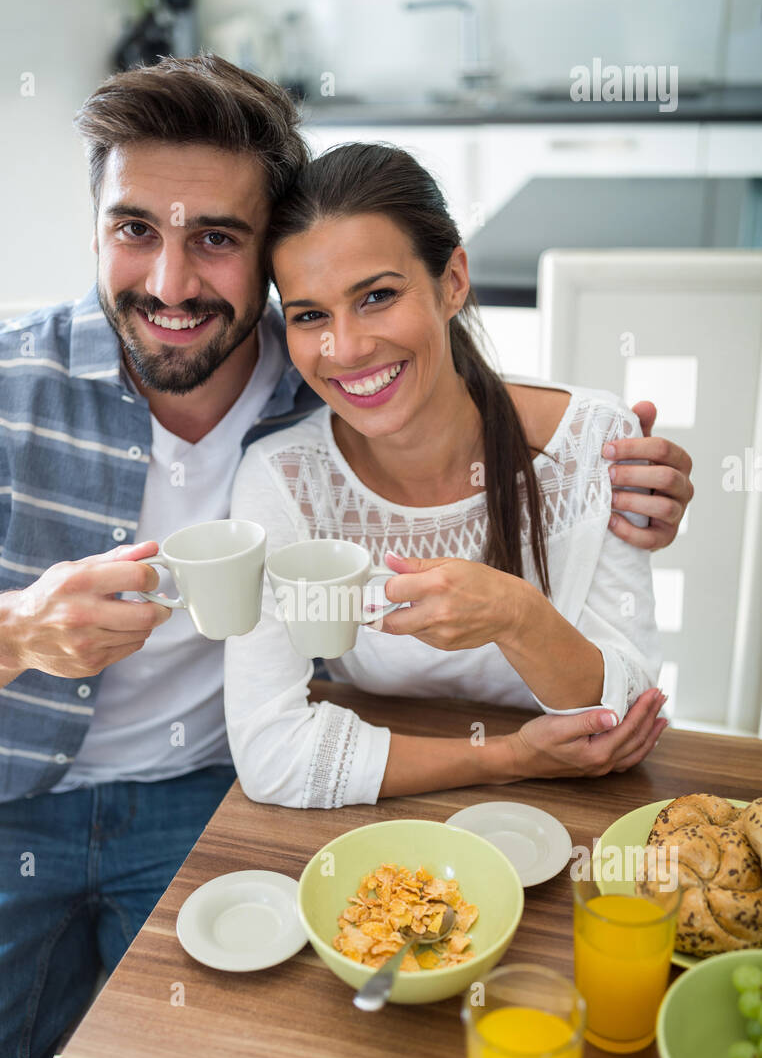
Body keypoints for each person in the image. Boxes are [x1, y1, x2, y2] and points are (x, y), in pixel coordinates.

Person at [0, 57, 692, 1058]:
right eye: (133, 229)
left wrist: (610, 465)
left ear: (262, 258)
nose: (169, 281)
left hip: (208, 796)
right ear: (96, 226)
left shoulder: (308, 383)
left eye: (216, 238)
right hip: (1, 808)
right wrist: (15, 631)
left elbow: (426, 383)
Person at [224, 142, 674, 806]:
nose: (344, 348)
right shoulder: (283, 480)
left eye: (377, 296)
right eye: (310, 315)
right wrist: (507, 758)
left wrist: (515, 614)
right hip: (387, 828)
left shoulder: (593, 441)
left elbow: (629, 712)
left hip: (575, 811)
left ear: (453, 281)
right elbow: (270, 756)